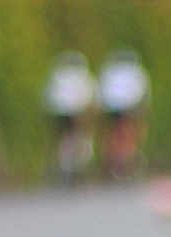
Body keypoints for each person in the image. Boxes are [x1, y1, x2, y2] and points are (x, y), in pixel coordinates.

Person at [42, 52, 95, 184]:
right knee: (78, 136)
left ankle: (67, 166)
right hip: (74, 111)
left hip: (61, 112)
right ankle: (74, 165)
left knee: (65, 137)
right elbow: (89, 100)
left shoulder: (58, 75)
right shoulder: (82, 75)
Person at [97, 49, 150, 180]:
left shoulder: (109, 70)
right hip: (129, 106)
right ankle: (127, 160)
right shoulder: (136, 71)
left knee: (112, 132)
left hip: (112, 106)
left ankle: (112, 162)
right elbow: (143, 96)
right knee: (128, 131)